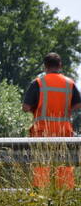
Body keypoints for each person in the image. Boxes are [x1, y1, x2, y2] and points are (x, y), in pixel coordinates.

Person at [22, 52, 80, 188]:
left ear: (45, 66)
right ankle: (64, 195)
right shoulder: (69, 83)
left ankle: (41, 195)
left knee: (42, 165)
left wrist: (35, 110)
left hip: (43, 132)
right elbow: (78, 104)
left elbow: (25, 107)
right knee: (64, 165)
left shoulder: (38, 83)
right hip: (64, 132)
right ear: (60, 65)